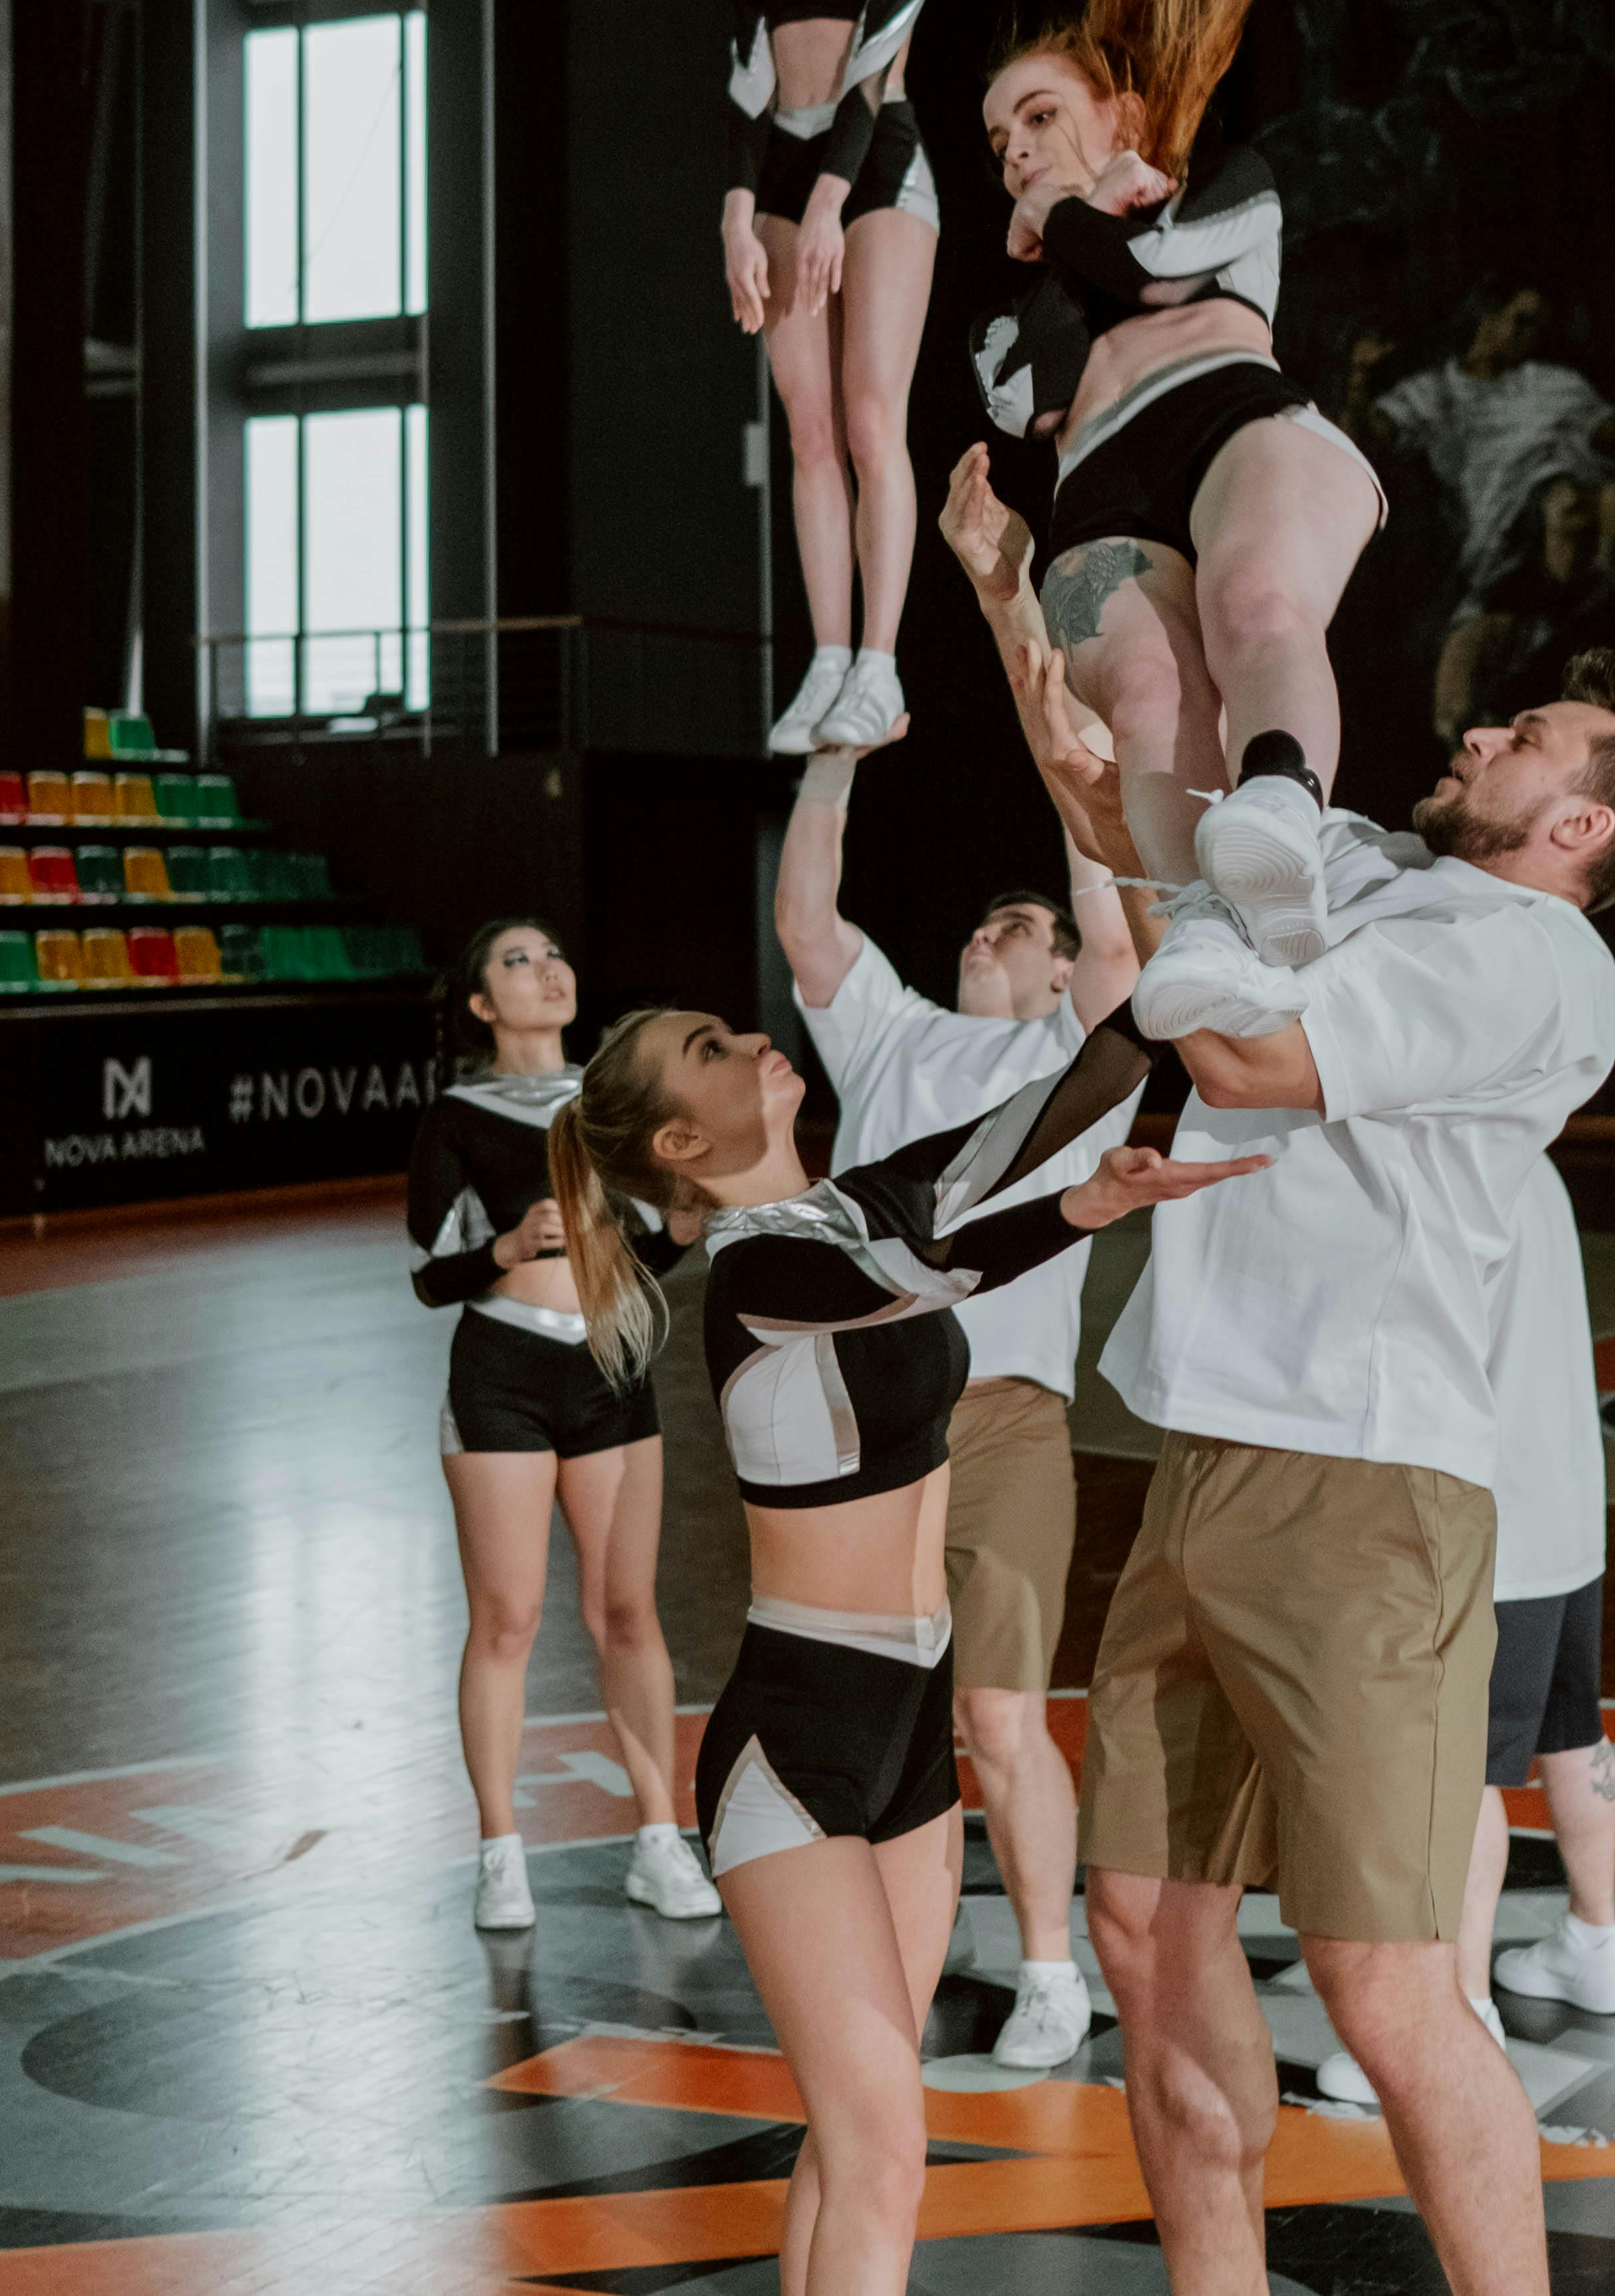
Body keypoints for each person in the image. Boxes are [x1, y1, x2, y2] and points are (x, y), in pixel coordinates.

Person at [998, 636, 1615, 2296]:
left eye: (1523, 736)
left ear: (1579, 826)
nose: (1473, 728)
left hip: (1368, 1490)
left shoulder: (1530, 956)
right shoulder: (1378, 876)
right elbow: (1152, 843)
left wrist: (1205, 914)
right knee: (1142, 1938)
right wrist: (1036, 664)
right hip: (1201, 1462)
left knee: (1383, 1982)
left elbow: (1232, 1055)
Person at [547, 997, 1264, 2296]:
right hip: (795, 1747)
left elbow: (1039, 1109)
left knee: (854, 2138)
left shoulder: (845, 1206)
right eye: (708, 1052)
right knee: (887, 2147)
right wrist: (1082, 1211)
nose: (745, 1039)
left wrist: (1168, 984)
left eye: (730, 1026)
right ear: (677, 1139)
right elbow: (928, 1274)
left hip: (907, 1736)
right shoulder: (761, 1270)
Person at [967, 0, 1509, 934]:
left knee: (1256, 611)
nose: (1013, 150)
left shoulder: (1231, 194)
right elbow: (1026, 403)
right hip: (1101, 490)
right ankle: (1198, 932)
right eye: (996, 138)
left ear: (1122, 118)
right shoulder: (1012, 312)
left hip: (1233, 416)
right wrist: (1051, 253)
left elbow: (1149, 281)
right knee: (1146, 694)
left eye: (1038, 117)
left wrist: (1070, 218)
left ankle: (1281, 820)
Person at [773, 693, 1140, 2074]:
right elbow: (809, 921)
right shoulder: (889, 1037)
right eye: (981, 920)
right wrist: (832, 759)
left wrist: (1073, 785)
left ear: (1055, 974)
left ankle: (1052, 1966)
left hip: (1003, 1423)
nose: (992, 929)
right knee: (882, 1710)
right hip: (867, 1415)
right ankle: (889, 1949)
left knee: (999, 1709)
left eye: (1019, 925)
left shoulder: (1069, 1063)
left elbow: (1111, 936)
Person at [406, 919, 719, 1934]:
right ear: (482, 1006)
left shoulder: (614, 1104)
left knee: (626, 1614)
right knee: (506, 1621)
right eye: (516, 961)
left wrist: (679, 1233)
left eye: (553, 954)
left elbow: (634, 1263)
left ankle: (658, 1840)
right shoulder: (455, 1116)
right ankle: (500, 1852)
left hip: (610, 1373)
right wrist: (501, 1246)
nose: (547, 969)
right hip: (501, 1374)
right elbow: (428, 1274)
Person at [1315, 1152, 1615, 2109]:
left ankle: (1459, 2008)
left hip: (1493, 1521)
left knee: (1465, 1768)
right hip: (1570, 1504)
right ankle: (1594, 1944)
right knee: (1567, 1727)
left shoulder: (1451, 1177)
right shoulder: (1532, 1165)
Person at [722, 0, 945, 757]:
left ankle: (878, 659)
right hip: (779, 167)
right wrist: (736, 211)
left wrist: (826, 203)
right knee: (803, 429)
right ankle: (822, 657)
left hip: (877, 166)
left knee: (866, 419)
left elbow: (875, 65)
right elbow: (743, 80)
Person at [1351, 276, 1615, 743]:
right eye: (1520, 318)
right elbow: (1365, 439)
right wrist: (1358, 378)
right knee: (1454, 712)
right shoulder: (1434, 394)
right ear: (1486, 316)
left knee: (1584, 505)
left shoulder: (1553, 388)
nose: (1526, 334)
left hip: (1577, 526)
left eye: (1536, 326)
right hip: (1501, 565)